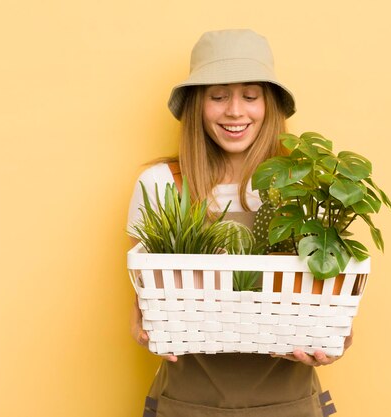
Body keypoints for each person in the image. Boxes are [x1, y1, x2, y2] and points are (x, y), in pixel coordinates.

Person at [127, 29, 352, 417]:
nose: (235, 111)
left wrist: (334, 340)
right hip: (186, 405)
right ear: (198, 105)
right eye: (218, 96)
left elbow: (332, 304)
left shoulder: (305, 189)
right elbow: (141, 312)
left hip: (290, 405)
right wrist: (146, 329)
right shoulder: (162, 185)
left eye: (250, 96)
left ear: (269, 106)